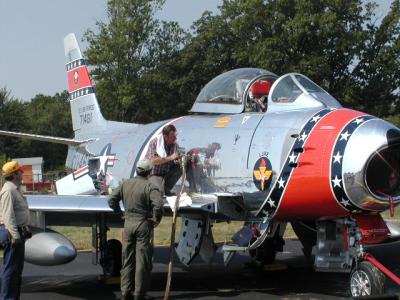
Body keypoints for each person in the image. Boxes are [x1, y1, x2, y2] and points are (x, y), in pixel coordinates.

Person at [108, 159, 163, 300]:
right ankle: (139, 293)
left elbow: (111, 200)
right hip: (143, 224)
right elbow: (158, 205)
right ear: (149, 172)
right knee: (142, 260)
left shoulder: (125, 184)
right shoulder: (150, 186)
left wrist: (119, 213)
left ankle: (125, 292)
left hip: (128, 223)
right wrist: (157, 219)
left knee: (127, 259)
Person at [0, 161, 31, 300]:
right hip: (11, 234)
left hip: (18, 232)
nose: (22, 173)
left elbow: (18, 213)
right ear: (14, 175)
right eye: (20, 171)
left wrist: (26, 228)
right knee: (11, 270)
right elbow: (8, 215)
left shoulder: (15, 188)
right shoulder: (9, 190)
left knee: (16, 271)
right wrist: (14, 235)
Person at [145, 124, 181, 196]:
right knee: (158, 194)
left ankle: (166, 188)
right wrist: (171, 157)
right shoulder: (155, 142)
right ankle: (162, 190)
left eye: (175, 135)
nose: (175, 138)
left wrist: (181, 159)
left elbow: (175, 161)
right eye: (172, 136)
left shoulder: (175, 145)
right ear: (165, 136)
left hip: (167, 173)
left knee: (184, 165)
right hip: (154, 174)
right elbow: (153, 161)